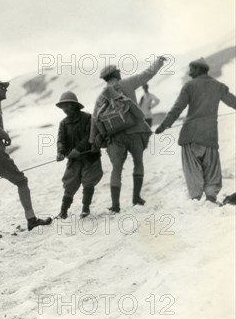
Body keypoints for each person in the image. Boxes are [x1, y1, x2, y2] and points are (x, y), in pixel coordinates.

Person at [0, 77, 52, 243]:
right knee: (22, 181)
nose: (5, 89)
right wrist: (5, 135)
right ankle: (31, 220)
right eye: (2, 87)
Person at [90, 56, 166, 212]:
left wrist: (93, 139)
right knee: (138, 162)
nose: (120, 72)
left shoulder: (101, 96)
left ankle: (115, 205)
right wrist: (159, 61)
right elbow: (147, 74)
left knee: (116, 169)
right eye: (118, 71)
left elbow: (95, 118)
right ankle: (136, 198)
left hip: (115, 136)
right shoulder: (128, 84)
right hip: (136, 131)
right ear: (115, 74)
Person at [155, 58, 236, 202]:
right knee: (211, 167)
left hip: (190, 135)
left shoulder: (189, 86)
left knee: (192, 169)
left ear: (199, 69)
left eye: (191, 69)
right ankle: (211, 197)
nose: (189, 72)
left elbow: (177, 109)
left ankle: (196, 199)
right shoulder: (218, 86)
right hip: (209, 135)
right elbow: (233, 102)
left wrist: (164, 125)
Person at [55, 92, 103, 218]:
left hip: (90, 157)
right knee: (69, 183)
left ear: (75, 105)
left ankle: (85, 209)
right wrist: (60, 152)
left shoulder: (88, 118)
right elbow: (61, 140)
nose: (65, 109)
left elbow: (90, 136)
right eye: (63, 107)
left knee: (88, 182)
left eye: (67, 105)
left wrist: (78, 149)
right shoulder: (63, 123)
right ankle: (63, 212)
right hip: (74, 159)